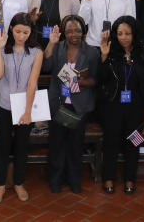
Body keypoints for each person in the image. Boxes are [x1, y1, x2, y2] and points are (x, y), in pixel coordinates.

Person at [97, 15, 144, 194]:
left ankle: (130, 178)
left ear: (134, 34)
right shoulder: (110, 50)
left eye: (128, 33)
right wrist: (104, 56)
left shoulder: (143, 51)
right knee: (111, 143)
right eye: (120, 33)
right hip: (112, 107)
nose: (123, 37)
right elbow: (101, 80)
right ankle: (108, 177)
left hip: (136, 109)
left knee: (134, 143)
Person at [0, 12, 42, 204]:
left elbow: (32, 83)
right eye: (18, 31)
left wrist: (28, 111)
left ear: (31, 32)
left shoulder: (36, 52)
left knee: (21, 146)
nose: (21, 36)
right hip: (4, 104)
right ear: (11, 29)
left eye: (25, 32)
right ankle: (1, 185)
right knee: (3, 146)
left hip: (25, 106)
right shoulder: (4, 48)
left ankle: (19, 182)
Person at [43, 15, 99, 194]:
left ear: (83, 32)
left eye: (77, 30)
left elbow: (95, 80)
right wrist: (51, 43)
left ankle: (75, 180)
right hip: (58, 104)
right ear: (63, 33)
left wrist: (78, 82)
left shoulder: (91, 52)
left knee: (75, 146)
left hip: (79, 106)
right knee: (56, 144)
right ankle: (55, 180)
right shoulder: (58, 48)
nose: (73, 34)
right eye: (69, 31)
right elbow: (46, 66)